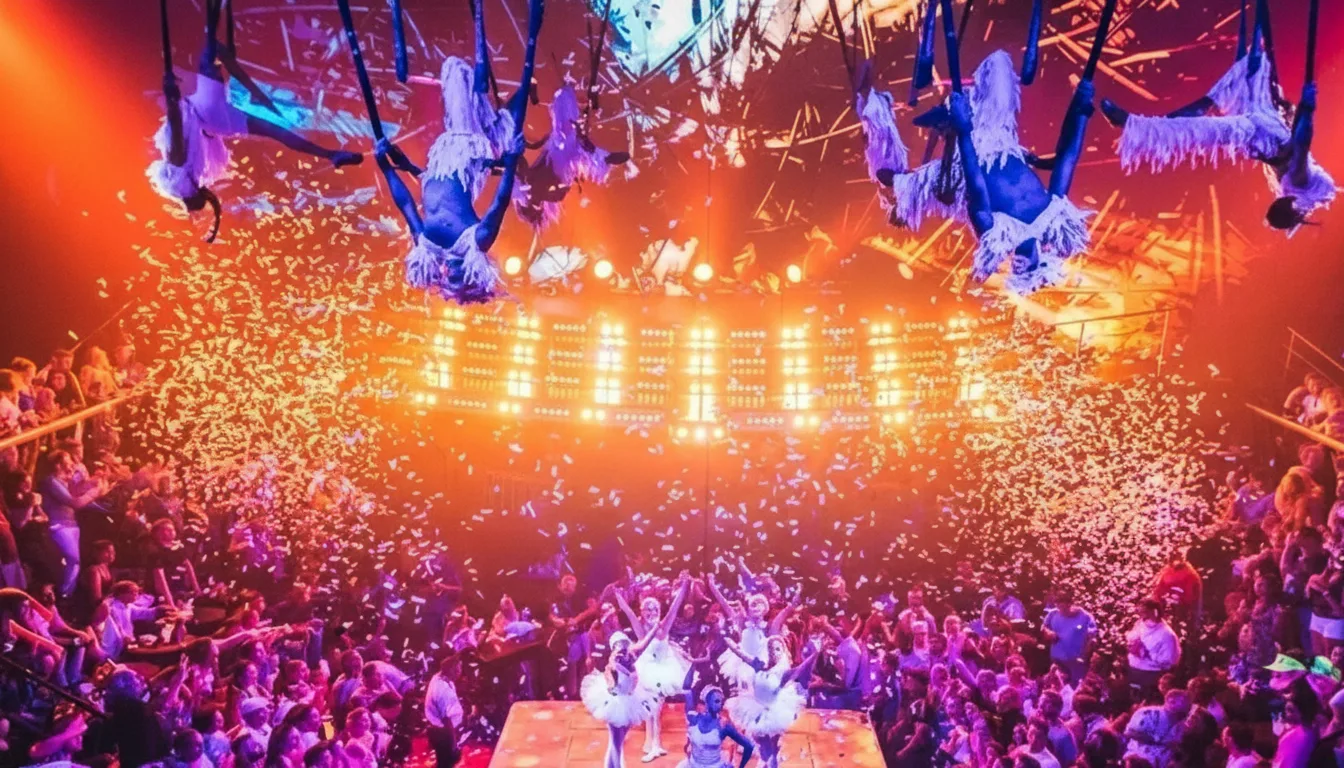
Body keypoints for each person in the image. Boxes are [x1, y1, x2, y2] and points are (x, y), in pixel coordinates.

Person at [367, 0, 544, 303]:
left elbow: (406, 204)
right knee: (457, 73)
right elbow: (500, 202)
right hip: (466, 156)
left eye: (451, 277)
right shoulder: (477, 241)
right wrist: (513, 161)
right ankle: (519, 54)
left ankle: (524, 91)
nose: (453, 271)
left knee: (494, 121)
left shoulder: (427, 246)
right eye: (462, 277)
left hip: (443, 159)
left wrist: (384, 165)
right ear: (473, 274)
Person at [1100, 7, 1335, 232]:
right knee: (1209, 124)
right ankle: (1140, 127)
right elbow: (1302, 143)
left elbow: (1297, 145)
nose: (1276, 199)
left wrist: (1301, 111)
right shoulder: (1300, 182)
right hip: (1262, 132)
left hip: (1263, 128)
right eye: (1277, 205)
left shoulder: (1295, 195)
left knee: (1219, 96)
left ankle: (1145, 126)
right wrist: (1306, 107)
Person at [150, 0, 360, 240]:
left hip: (213, 119)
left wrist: (214, 223)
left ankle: (331, 155)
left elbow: (204, 189)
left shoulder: (188, 181)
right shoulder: (178, 169)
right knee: (210, 47)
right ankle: (217, 9)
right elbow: (176, 130)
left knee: (276, 132)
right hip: (208, 112)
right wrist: (170, 94)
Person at [512, 84, 629, 231]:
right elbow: (556, 193)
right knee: (574, 146)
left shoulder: (527, 189)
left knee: (572, 143)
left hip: (554, 161)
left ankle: (602, 157)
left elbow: (521, 171)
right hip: (557, 168)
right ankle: (603, 158)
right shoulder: (538, 194)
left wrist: (514, 156)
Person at [613, 572, 692, 761]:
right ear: (642, 612)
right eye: (647, 610)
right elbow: (628, 613)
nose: (651, 613)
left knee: (655, 708)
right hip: (647, 669)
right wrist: (619, 597)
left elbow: (675, 607)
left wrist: (684, 586)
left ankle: (654, 743)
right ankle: (652, 743)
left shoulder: (664, 625)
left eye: (654, 609)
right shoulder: (641, 628)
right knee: (652, 708)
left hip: (665, 668)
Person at [722, 635, 818, 768]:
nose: (775, 652)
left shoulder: (784, 674)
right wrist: (730, 643)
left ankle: (772, 763)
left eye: (778, 649)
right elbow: (741, 654)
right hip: (756, 709)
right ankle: (768, 761)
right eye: (772, 649)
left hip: (775, 710)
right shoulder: (758, 666)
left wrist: (814, 654)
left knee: (773, 746)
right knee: (762, 744)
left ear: (783, 652)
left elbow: (801, 668)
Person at [580, 630, 658, 768]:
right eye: (617, 646)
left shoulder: (631, 657)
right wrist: (613, 685)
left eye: (623, 645)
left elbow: (644, 643)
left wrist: (656, 627)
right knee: (616, 743)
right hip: (616, 705)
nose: (620, 649)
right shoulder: (613, 663)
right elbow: (610, 679)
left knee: (617, 743)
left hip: (631, 702)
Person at [676, 656, 754, 768]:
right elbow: (686, 689)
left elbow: (749, 746)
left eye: (721, 701)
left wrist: (741, 767)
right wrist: (694, 663)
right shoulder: (694, 718)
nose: (720, 704)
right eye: (717, 701)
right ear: (707, 702)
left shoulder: (723, 725)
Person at [1042, 590, 1097, 684]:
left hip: (1076, 662)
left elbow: (1092, 637)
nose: (1061, 610)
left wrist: (1085, 655)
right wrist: (1048, 633)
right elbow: (1044, 627)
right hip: (1057, 660)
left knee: (1076, 686)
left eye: (1064, 606)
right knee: (1057, 685)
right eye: (1058, 606)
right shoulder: (1053, 614)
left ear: (1070, 604)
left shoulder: (1085, 617)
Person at [1126, 599, 1181, 693]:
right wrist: (1133, 646)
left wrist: (1146, 654)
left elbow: (1170, 661)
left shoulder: (1167, 634)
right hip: (1134, 671)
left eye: (1145, 613)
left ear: (1155, 612)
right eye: (1140, 613)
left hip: (1151, 676)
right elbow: (1131, 638)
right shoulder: (1140, 624)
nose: (1142, 618)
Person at [424, 653, 464, 768]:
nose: (460, 672)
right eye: (458, 670)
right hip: (443, 733)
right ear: (451, 670)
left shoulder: (438, 677)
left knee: (442, 760)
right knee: (446, 763)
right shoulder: (443, 690)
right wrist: (454, 745)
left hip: (438, 730)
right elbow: (447, 721)